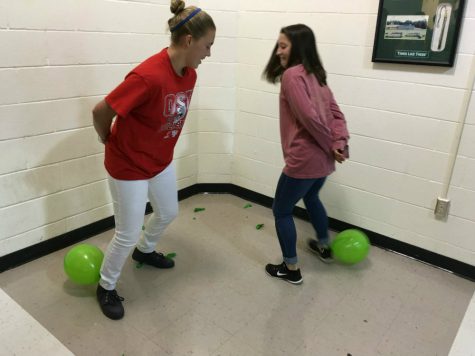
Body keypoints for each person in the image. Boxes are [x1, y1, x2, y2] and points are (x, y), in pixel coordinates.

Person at [92, 0, 215, 319]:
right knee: (127, 232)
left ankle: (144, 253)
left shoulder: (189, 75)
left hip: (159, 161)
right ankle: (106, 286)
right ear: (189, 41)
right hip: (128, 165)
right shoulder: (148, 76)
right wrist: (107, 138)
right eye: (207, 46)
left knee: (168, 211)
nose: (208, 54)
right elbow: (101, 111)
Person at [262, 24, 349, 285]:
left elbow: (310, 119)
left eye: (283, 45)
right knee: (312, 196)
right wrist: (339, 143)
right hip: (324, 161)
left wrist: (333, 144)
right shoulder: (317, 75)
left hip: (305, 159)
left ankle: (291, 269)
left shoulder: (292, 76)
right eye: (278, 45)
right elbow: (337, 115)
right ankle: (324, 246)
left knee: (281, 211)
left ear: (299, 47)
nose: (278, 51)